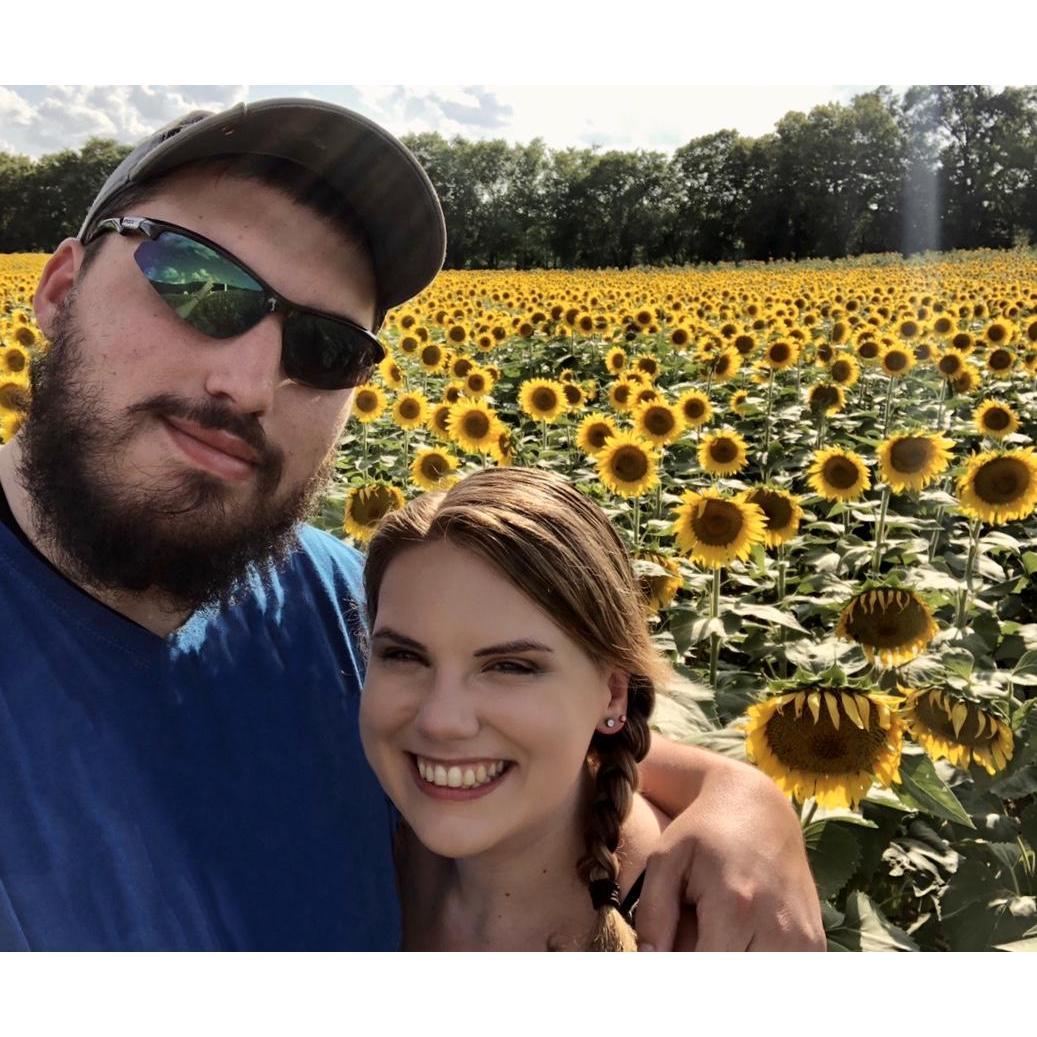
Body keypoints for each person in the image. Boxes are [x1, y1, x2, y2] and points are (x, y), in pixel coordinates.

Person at [0, 98, 823, 950]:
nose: (247, 383)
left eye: (324, 347)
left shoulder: (333, 599)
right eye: (197, 284)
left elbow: (541, 726)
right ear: (60, 292)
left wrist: (741, 796)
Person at [360, 467, 693, 950]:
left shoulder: (702, 931)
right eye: (404, 656)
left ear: (614, 694)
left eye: (510, 667)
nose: (441, 720)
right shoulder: (353, 840)